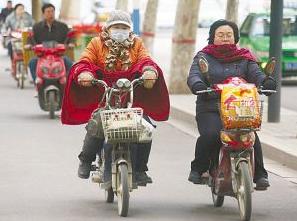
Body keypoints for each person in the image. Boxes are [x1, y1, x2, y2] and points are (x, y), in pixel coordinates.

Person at [61, 10, 170, 186]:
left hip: (131, 96)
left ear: (129, 29)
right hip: (105, 94)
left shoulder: (137, 43)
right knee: (97, 122)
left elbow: (145, 60)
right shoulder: (96, 43)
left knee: (145, 126)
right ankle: (86, 160)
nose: (120, 30)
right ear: (108, 28)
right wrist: (85, 72)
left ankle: (141, 169)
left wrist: (149, 71)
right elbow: (85, 60)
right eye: (116, 27)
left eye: (124, 27)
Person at [187, 19, 276, 190]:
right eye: (220, 35)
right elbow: (194, 75)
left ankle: (260, 175)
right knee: (212, 134)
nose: (225, 38)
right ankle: (199, 168)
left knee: (250, 136)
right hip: (211, 106)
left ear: (235, 37)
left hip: (240, 107)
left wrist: (266, 82)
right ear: (212, 37)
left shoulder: (245, 57)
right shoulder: (203, 56)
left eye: (229, 35)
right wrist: (197, 84)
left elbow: (256, 74)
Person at [27, 3, 73, 82]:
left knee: (68, 62)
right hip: (42, 56)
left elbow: (69, 38)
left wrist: (71, 43)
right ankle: (37, 85)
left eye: (52, 11)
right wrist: (28, 45)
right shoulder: (36, 27)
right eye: (48, 12)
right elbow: (30, 39)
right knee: (32, 62)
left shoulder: (63, 26)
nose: (51, 14)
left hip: (59, 56)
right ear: (43, 14)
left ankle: (66, 86)